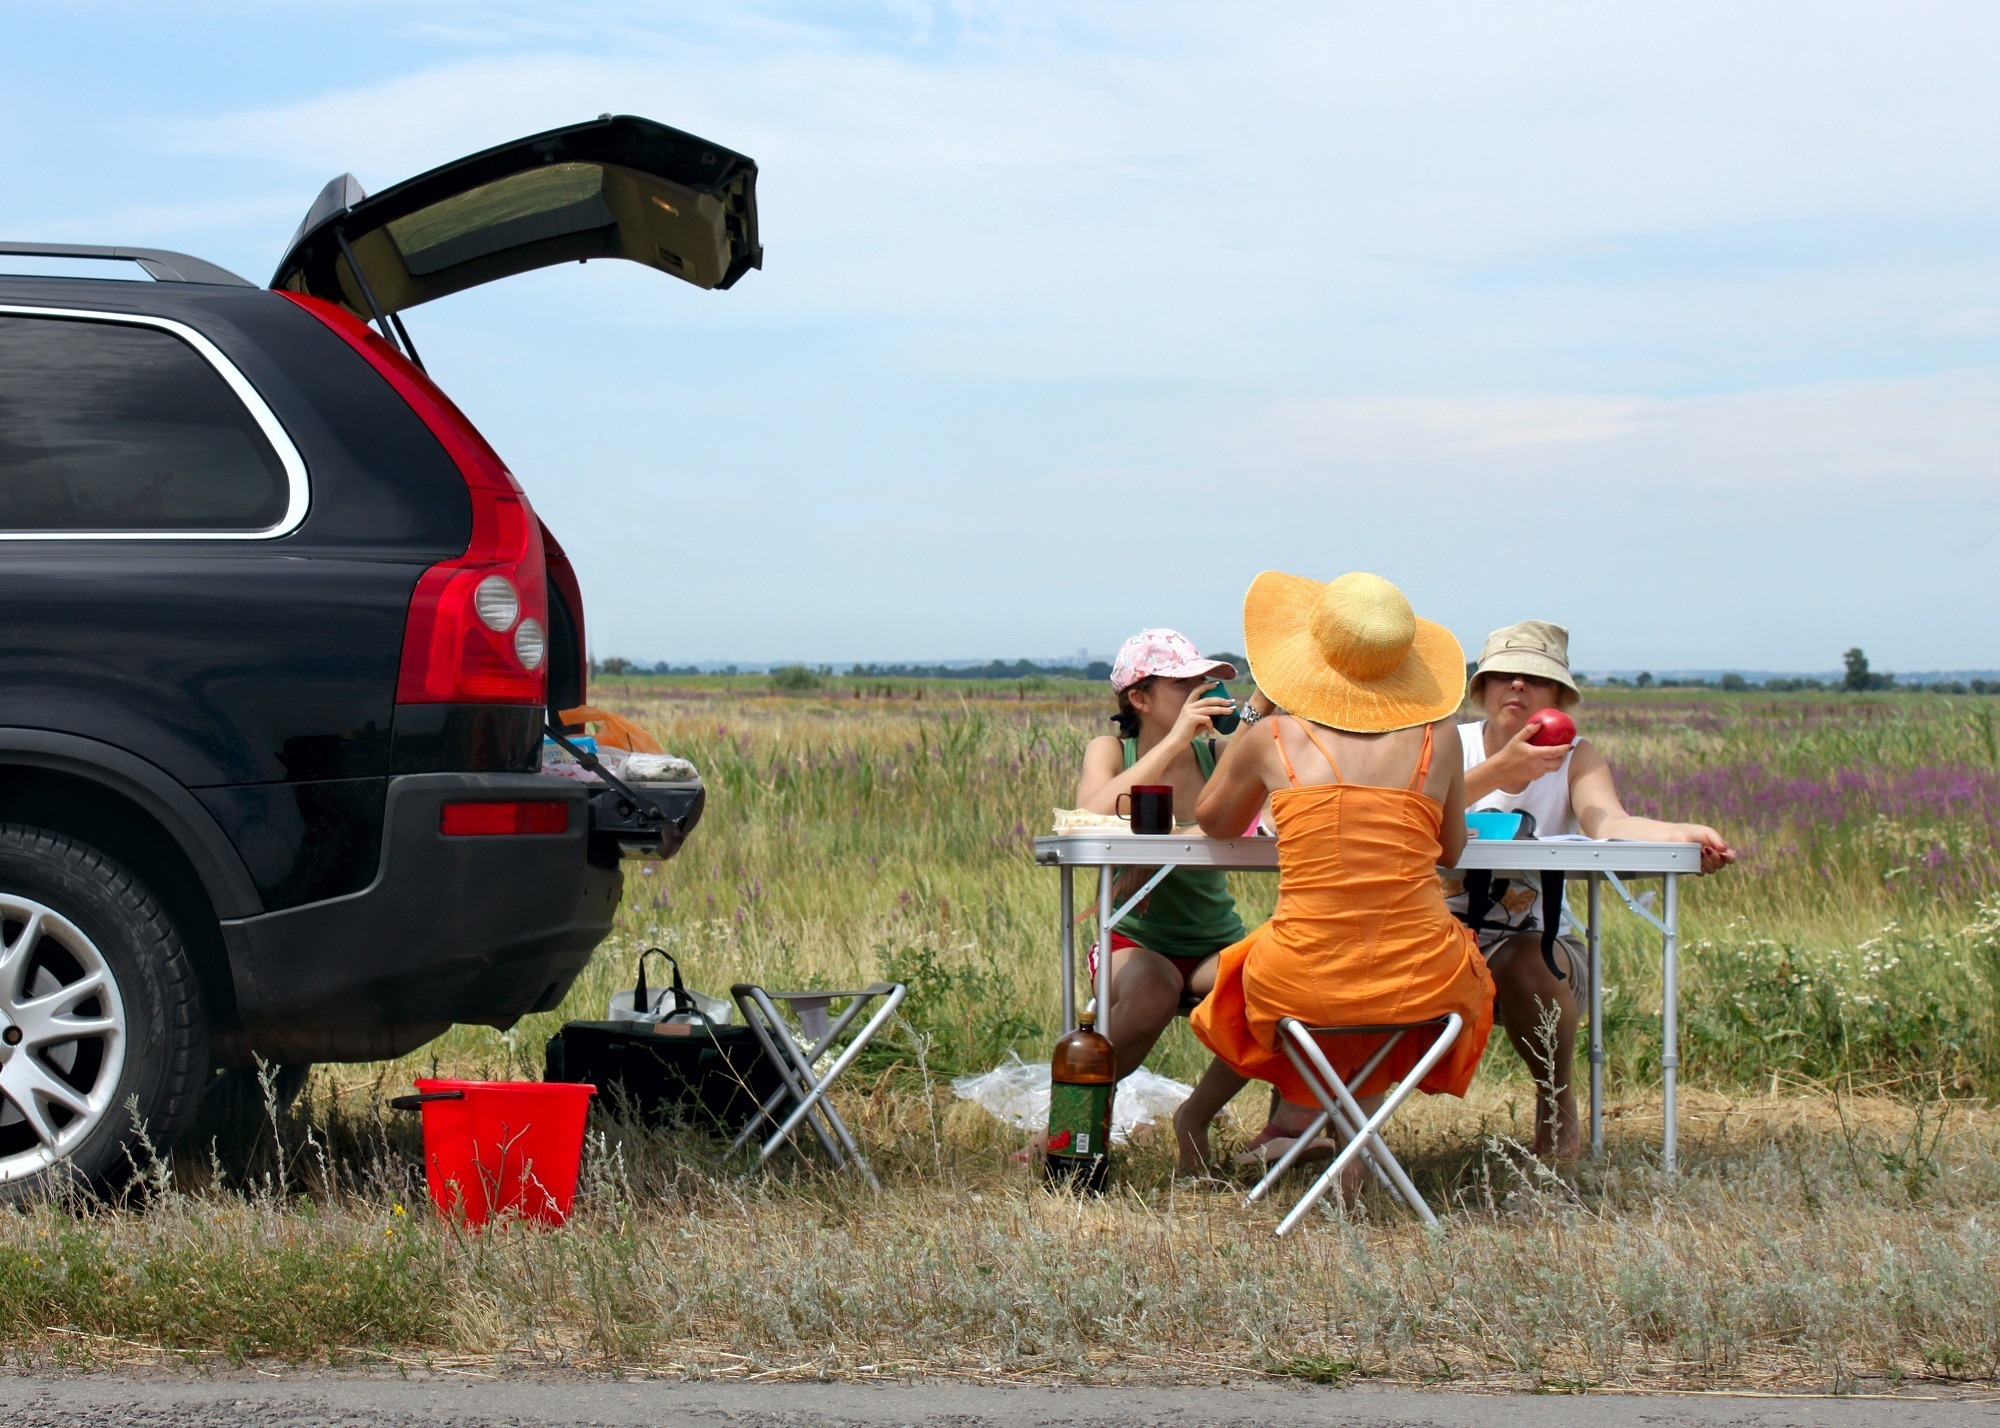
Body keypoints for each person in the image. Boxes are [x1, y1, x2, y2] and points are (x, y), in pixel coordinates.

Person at [1175, 571, 1495, 1178]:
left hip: (1303, 976)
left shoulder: (1272, 737)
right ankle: (1350, 1147)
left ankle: (1253, 1123)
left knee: (1251, 975)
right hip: (1425, 974)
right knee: (1384, 987)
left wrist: (1257, 707)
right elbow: (1451, 848)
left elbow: (1213, 819)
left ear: (1307, 659)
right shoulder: (1440, 738)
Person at [1447, 621, 1736, 1158]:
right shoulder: (1447, 746)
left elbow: (1609, 823)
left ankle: (1557, 1106)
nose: (1517, 687)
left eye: (1534, 679)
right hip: (1436, 939)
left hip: (1535, 945)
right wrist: (1501, 769)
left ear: (1557, 696)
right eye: (1504, 676)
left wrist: (1683, 835)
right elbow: (1407, 813)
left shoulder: (1575, 755)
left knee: (1530, 956)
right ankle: (1317, 1118)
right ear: (1481, 689)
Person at [1075, 629, 1251, 1079]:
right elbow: (1089, 815)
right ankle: (1074, 1123)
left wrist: (1163, 846)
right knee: (1153, 993)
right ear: (1140, 699)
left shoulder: (1218, 754)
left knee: (1279, 989)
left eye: (1205, 682)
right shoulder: (1111, 750)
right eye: (1184, 683)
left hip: (1214, 941)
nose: (1202, 692)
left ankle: (1213, 1123)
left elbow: (1263, 819)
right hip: (1135, 942)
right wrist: (1176, 741)